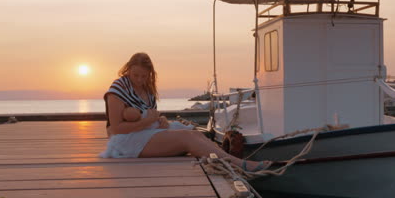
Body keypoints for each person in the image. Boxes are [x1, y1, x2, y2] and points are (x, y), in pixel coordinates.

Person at [99, 52, 270, 171]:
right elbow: (116, 129)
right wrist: (147, 122)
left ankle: (228, 161)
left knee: (193, 134)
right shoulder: (118, 88)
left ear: (150, 74)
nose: (139, 80)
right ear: (128, 69)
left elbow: (149, 115)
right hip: (123, 142)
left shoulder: (147, 89)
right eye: (135, 75)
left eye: (144, 76)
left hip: (145, 132)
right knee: (186, 138)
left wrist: (161, 119)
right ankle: (240, 165)